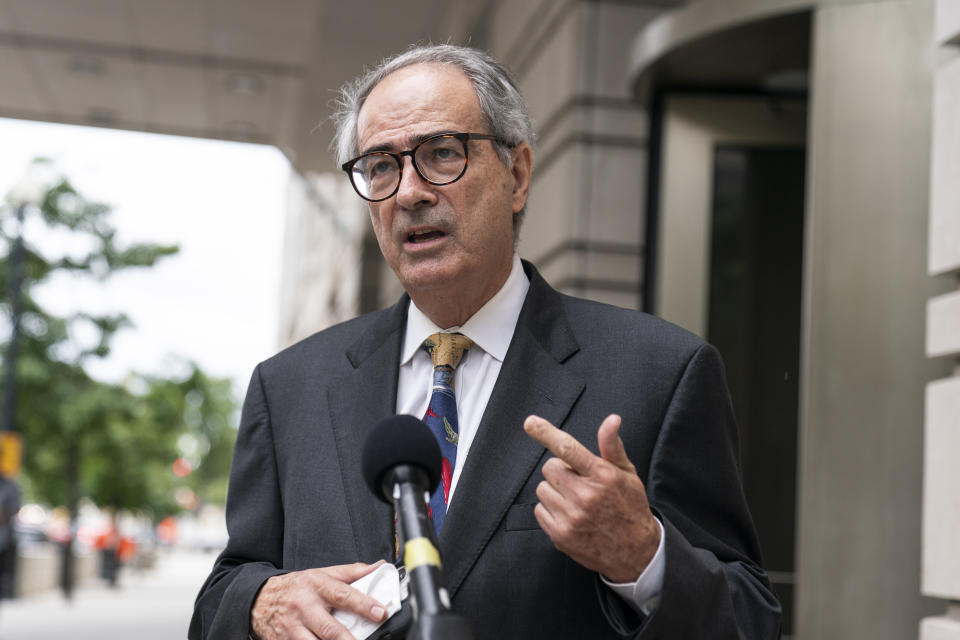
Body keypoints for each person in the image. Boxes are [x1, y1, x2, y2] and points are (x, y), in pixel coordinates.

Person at [190, 44, 781, 640]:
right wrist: (261, 603)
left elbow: (751, 619)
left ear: (517, 174)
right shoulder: (290, 387)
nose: (408, 192)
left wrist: (645, 560)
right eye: (381, 166)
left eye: (442, 153)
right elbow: (224, 590)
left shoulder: (661, 372)